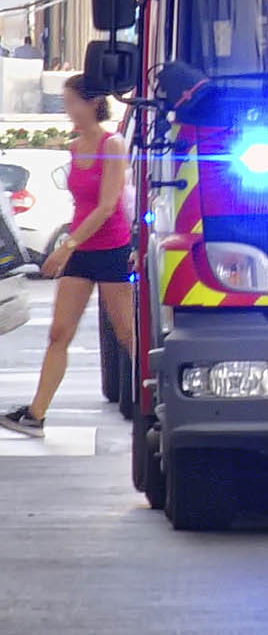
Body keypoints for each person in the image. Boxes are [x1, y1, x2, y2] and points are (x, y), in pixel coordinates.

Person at [1, 77, 136, 439]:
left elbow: (108, 205)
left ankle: (154, 400)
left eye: (72, 102)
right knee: (59, 333)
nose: (67, 110)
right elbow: (81, 203)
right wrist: (71, 246)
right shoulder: (75, 148)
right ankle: (35, 414)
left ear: (92, 104)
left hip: (109, 248)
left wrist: (65, 245)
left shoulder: (113, 144)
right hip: (81, 249)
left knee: (126, 332)